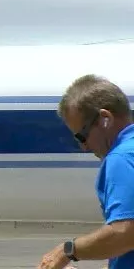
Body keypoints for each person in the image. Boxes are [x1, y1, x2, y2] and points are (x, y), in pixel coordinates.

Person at [38, 74, 134, 269]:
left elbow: (125, 234)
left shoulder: (121, 158)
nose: (84, 147)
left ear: (105, 119)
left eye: (82, 136)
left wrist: (68, 250)